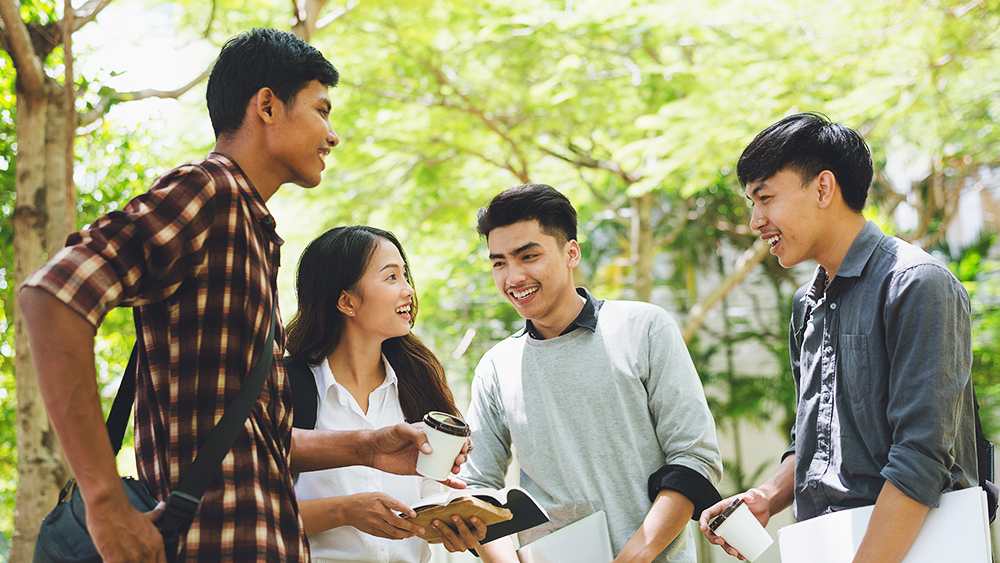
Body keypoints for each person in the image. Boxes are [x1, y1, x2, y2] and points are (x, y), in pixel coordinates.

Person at [18, 28, 467, 563]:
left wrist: (367, 446)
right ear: (268, 107)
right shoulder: (212, 191)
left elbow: (250, 441)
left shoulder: (252, 233)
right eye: (322, 110)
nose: (332, 134)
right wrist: (105, 502)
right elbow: (52, 295)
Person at [698, 112, 978, 563]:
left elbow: (921, 457)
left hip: (907, 546)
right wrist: (769, 496)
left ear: (823, 188)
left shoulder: (915, 282)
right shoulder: (805, 306)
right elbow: (816, 440)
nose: (756, 220)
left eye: (765, 198)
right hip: (826, 543)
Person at [460, 183, 724, 563]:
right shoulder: (496, 367)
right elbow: (478, 487)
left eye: (528, 256)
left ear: (571, 253)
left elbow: (693, 459)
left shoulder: (644, 327)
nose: (513, 277)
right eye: (499, 262)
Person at [284, 225, 488, 562]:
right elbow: (249, 512)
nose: (408, 290)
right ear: (346, 300)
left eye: (405, 276)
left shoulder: (420, 385)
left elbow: (431, 500)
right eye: (390, 277)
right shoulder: (289, 389)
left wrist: (454, 524)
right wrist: (344, 511)